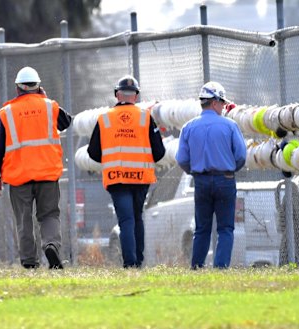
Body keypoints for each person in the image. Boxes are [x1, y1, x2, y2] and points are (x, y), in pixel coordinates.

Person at [0, 66, 72, 269]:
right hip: (47, 173)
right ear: (38, 87)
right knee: (49, 214)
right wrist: (46, 98)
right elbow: (66, 122)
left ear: (18, 88)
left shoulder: (7, 112)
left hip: (19, 177)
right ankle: (51, 245)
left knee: (23, 219)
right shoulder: (49, 106)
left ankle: (29, 262)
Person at [87, 75, 165, 268]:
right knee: (137, 217)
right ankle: (138, 261)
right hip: (141, 178)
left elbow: (93, 153)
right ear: (136, 96)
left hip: (117, 178)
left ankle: (130, 263)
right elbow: (160, 152)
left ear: (117, 95)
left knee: (126, 220)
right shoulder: (146, 118)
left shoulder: (104, 119)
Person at [176, 81, 247, 269]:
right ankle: (221, 268)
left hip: (201, 181)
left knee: (201, 229)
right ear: (215, 102)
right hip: (225, 180)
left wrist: (195, 171)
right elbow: (241, 156)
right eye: (222, 103)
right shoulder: (230, 126)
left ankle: (197, 267)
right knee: (225, 228)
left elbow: (181, 158)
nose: (223, 107)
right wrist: (230, 169)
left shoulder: (188, 128)